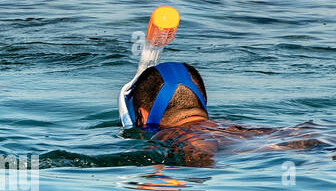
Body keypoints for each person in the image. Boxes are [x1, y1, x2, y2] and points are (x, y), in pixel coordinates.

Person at [126, 62, 324, 166]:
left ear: (142, 116)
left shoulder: (176, 136)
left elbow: (202, 157)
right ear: (202, 102)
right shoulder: (233, 128)